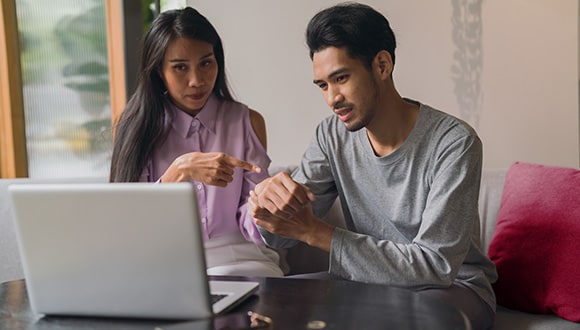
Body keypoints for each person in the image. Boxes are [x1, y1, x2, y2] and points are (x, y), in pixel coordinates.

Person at [249, 3, 497, 329]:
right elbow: (281, 237)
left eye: (341, 78)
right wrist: (267, 206)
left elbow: (435, 266)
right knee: (263, 301)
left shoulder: (454, 142)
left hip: (452, 288)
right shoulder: (330, 136)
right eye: (323, 85)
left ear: (382, 65)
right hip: (363, 283)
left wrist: (314, 231)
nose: (332, 98)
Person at [109, 7, 283, 277]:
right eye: (180, 67)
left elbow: (251, 222)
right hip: (164, 265)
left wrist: (267, 209)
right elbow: (132, 226)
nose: (197, 80)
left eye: (206, 63)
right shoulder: (136, 128)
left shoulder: (247, 121)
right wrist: (179, 171)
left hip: (240, 259)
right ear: (158, 70)